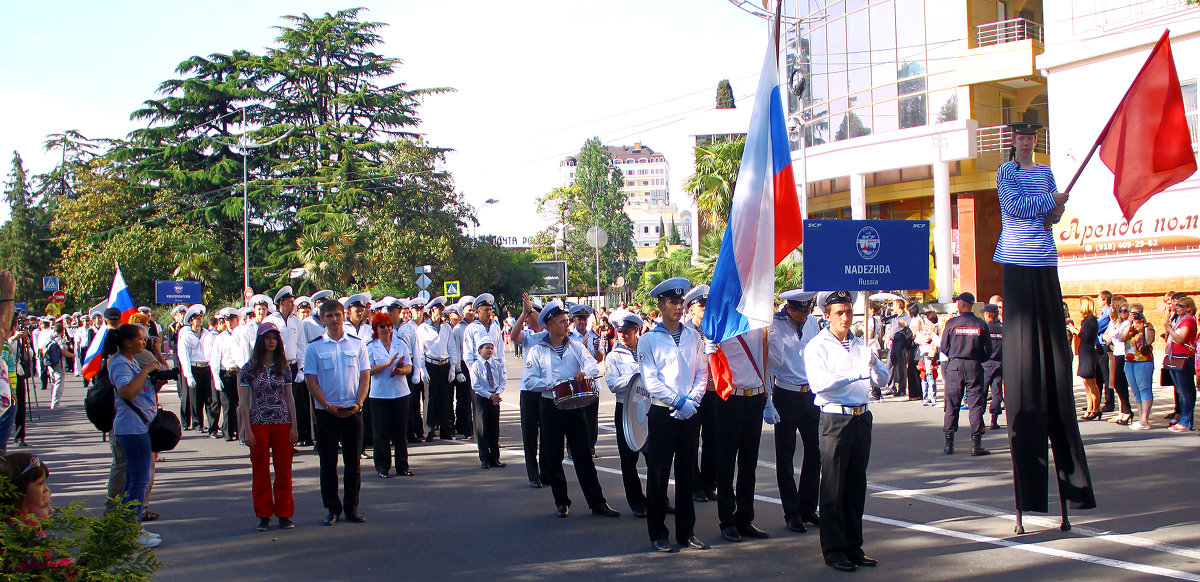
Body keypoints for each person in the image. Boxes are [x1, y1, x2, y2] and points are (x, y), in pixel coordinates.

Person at [993, 121, 1095, 531]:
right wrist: (1048, 202)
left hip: (1045, 258)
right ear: (1013, 141)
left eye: (1031, 138)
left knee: (1054, 357)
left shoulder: (1046, 171)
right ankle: (1028, 502)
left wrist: (1058, 206)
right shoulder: (1007, 172)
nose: (1026, 143)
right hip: (1016, 259)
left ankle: (1073, 494)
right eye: (1020, 138)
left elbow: (1051, 216)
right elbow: (1014, 207)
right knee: (1023, 356)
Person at [804, 291, 889, 572]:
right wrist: (856, 373)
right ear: (826, 315)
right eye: (839, 312)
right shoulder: (818, 346)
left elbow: (884, 380)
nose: (845, 317)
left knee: (855, 486)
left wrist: (874, 363)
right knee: (834, 488)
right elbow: (819, 384)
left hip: (861, 417)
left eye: (849, 312)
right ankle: (834, 550)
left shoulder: (859, 345)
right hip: (835, 419)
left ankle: (854, 546)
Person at [525, 299, 618, 519]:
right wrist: (556, 384)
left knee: (584, 455)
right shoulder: (537, 350)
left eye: (567, 321)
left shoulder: (576, 346)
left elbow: (592, 366)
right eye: (561, 322)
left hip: (575, 406)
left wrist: (583, 374)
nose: (567, 326)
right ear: (548, 324)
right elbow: (529, 381)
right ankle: (561, 501)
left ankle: (597, 502)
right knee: (553, 456)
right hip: (551, 405)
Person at [639, 277, 709, 553]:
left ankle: (686, 532)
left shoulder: (693, 336)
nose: (678, 307)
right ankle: (658, 532)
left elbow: (703, 372)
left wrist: (692, 400)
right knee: (658, 475)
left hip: (690, 413)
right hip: (662, 413)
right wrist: (678, 401)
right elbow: (650, 381)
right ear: (660, 304)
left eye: (681, 302)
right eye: (672, 302)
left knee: (686, 475)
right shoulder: (648, 340)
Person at [304, 299, 370, 526]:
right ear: (322, 319)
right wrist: (326, 405)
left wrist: (359, 403)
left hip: (352, 410)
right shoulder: (314, 347)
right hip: (326, 412)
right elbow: (311, 380)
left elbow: (364, 376)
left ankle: (352, 507)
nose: (334, 319)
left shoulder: (357, 344)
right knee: (328, 463)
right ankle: (332, 508)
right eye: (329, 316)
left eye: (337, 315)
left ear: (344, 315)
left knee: (353, 463)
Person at [764, 290, 822, 535]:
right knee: (785, 456)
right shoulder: (774, 326)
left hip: (810, 393)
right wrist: (768, 401)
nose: (804, 315)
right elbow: (768, 365)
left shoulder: (812, 323)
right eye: (800, 310)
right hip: (786, 393)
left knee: (815, 453)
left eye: (807, 309)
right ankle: (792, 512)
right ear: (789, 308)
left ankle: (808, 507)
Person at [109, 323, 168, 547]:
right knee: (138, 481)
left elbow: (141, 392)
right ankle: (131, 530)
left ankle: (129, 526)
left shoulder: (131, 362)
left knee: (134, 480)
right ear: (127, 342)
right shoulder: (121, 363)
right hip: (131, 429)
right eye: (140, 339)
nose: (144, 342)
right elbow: (127, 391)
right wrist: (147, 370)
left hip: (138, 426)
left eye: (145, 339)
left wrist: (157, 382)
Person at [237, 321, 298, 532]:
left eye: (274, 338)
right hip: (258, 422)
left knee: (284, 471)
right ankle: (263, 514)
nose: (271, 342)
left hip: (282, 421)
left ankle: (284, 513)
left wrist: (294, 426)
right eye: (267, 338)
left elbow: (289, 397)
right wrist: (246, 429)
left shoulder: (284, 367)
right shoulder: (249, 368)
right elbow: (243, 401)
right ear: (260, 341)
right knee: (260, 471)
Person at [604, 308, 649, 517]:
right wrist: (638, 377)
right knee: (628, 458)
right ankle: (636, 502)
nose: (623, 335)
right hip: (625, 408)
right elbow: (613, 384)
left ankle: (659, 499)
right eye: (619, 331)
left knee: (654, 456)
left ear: (636, 330)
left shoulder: (647, 350)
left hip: (648, 406)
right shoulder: (613, 357)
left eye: (628, 331)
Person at [940, 292, 993, 456]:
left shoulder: (951, 323)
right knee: (975, 404)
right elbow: (987, 351)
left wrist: (955, 356)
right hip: (974, 366)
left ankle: (949, 443)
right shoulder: (981, 324)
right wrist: (976, 359)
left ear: (963, 304)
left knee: (951, 404)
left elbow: (944, 347)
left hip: (955, 366)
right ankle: (976, 444)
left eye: (958, 302)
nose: (956, 305)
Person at [681, 285, 718, 503]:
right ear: (691, 309)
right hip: (693, 392)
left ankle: (709, 483)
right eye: (701, 305)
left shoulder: (714, 330)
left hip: (712, 391)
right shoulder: (685, 333)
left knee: (713, 439)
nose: (705, 309)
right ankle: (694, 485)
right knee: (691, 441)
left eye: (707, 305)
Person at [366, 311, 413, 478]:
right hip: (379, 395)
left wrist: (400, 370)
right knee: (381, 433)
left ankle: (403, 466)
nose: (386, 329)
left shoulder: (400, 344)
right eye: (382, 326)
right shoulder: (371, 347)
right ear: (375, 329)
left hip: (400, 392)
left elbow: (409, 366)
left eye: (389, 326)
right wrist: (386, 364)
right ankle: (382, 466)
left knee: (400, 432)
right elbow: (369, 370)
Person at [510, 294, 547, 488]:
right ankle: (533, 474)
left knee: (549, 434)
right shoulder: (529, 337)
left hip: (547, 391)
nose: (527, 318)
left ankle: (547, 471)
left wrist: (532, 310)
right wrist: (525, 312)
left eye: (530, 314)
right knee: (530, 434)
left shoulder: (549, 334)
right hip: (529, 391)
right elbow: (514, 336)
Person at [416, 296, 456, 442]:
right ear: (432, 311)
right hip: (430, 364)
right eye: (439, 309)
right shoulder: (423, 328)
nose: (441, 312)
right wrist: (422, 369)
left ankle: (445, 430)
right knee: (430, 399)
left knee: (445, 399)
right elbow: (420, 350)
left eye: (442, 309)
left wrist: (452, 367)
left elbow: (452, 348)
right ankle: (429, 430)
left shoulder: (446, 327)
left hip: (444, 365)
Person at [469, 330, 506, 469]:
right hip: (482, 398)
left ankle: (495, 458)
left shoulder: (496, 364)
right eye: (487, 348)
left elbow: (502, 381)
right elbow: (476, 385)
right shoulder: (476, 366)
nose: (490, 350)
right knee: (482, 429)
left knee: (494, 429)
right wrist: (489, 395)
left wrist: (497, 393)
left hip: (494, 398)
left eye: (491, 348)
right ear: (480, 350)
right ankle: (484, 458)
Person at [1117, 303, 1155, 430]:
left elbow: (1149, 340)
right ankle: (1141, 417)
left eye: (1137, 312)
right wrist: (1129, 324)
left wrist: (1144, 325)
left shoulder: (1147, 326)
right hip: (1129, 361)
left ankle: (1145, 419)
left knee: (1145, 388)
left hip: (1143, 361)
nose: (1135, 315)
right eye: (1132, 312)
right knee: (1135, 390)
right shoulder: (1128, 326)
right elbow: (1121, 338)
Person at [1162, 296, 1196, 433]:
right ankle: (1183, 418)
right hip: (1174, 356)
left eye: (1181, 305)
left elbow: (1181, 339)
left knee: (1185, 391)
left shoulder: (1188, 320)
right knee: (1180, 391)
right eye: (1177, 305)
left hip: (1183, 357)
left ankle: (1186, 421)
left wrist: (1169, 329)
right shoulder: (1178, 319)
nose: (1178, 307)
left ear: (1189, 308)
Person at [1068, 297, 1102, 421]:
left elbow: (1086, 336)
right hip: (1085, 351)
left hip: (1088, 352)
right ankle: (1090, 408)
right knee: (1086, 382)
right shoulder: (1087, 320)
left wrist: (1075, 331)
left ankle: (1096, 409)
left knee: (1091, 382)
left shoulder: (1091, 320)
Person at [1103, 296, 1134, 426]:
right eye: (1120, 311)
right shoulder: (1118, 322)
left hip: (1124, 354)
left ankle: (1127, 410)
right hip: (1117, 354)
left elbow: (1118, 337)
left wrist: (1112, 333)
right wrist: (1112, 321)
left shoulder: (1127, 323)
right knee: (1116, 384)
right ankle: (1123, 410)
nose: (1122, 313)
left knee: (1121, 384)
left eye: (1125, 311)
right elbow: (1110, 334)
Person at [982, 304, 1005, 429]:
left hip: (986, 363)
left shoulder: (985, 328)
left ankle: (980, 417)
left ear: (988, 314)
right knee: (997, 391)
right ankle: (994, 420)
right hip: (999, 362)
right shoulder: (1002, 329)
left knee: (983, 391)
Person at [44, 323, 74, 409]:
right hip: (59, 363)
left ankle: (53, 400)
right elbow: (64, 352)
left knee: (53, 382)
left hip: (50, 362)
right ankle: (55, 402)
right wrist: (72, 355)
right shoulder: (60, 340)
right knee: (59, 383)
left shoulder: (49, 337)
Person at [1095, 291, 1114, 413]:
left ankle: (1109, 403)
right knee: (1098, 376)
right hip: (1098, 346)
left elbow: (1097, 327)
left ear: (1105, 299)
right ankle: (1096, 403)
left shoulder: (1108, 312)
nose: (1097, 301)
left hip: (1103, 346)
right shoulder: (1103, 312)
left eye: (1099, 299)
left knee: (1106, 376)